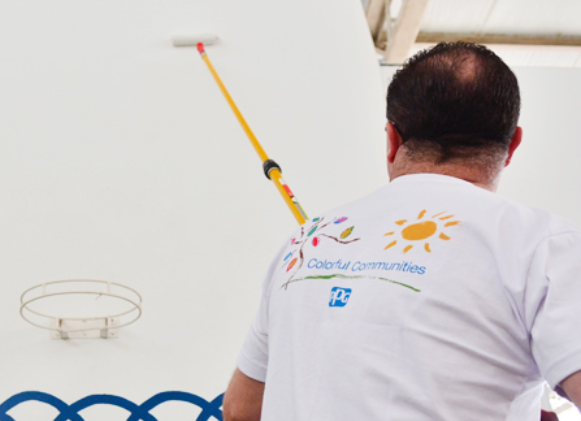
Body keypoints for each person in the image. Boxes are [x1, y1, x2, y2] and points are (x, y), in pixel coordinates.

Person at [222, 42, 581, 421]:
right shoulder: (542, 246)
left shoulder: (305, 243)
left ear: (392, 139)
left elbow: (240, 410)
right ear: (512, 145)